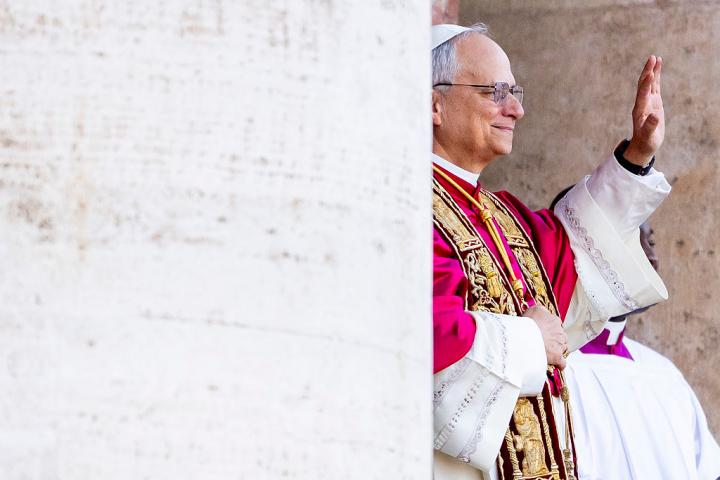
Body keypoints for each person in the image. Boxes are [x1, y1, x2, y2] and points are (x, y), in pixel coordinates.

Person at [431, 22, 670, 480]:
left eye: (515, 92)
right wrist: (529, 341)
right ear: (434, 105)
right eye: (496, 92)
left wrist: (637, 155)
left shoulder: (503, 214)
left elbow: (577, 249)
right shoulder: (404, 211)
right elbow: (421, 336)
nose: (516, 109)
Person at [552, 214, 720, 480]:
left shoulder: (663, 373)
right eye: (632, 239)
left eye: (650, 242)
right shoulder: (551, 371)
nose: (652, 257)